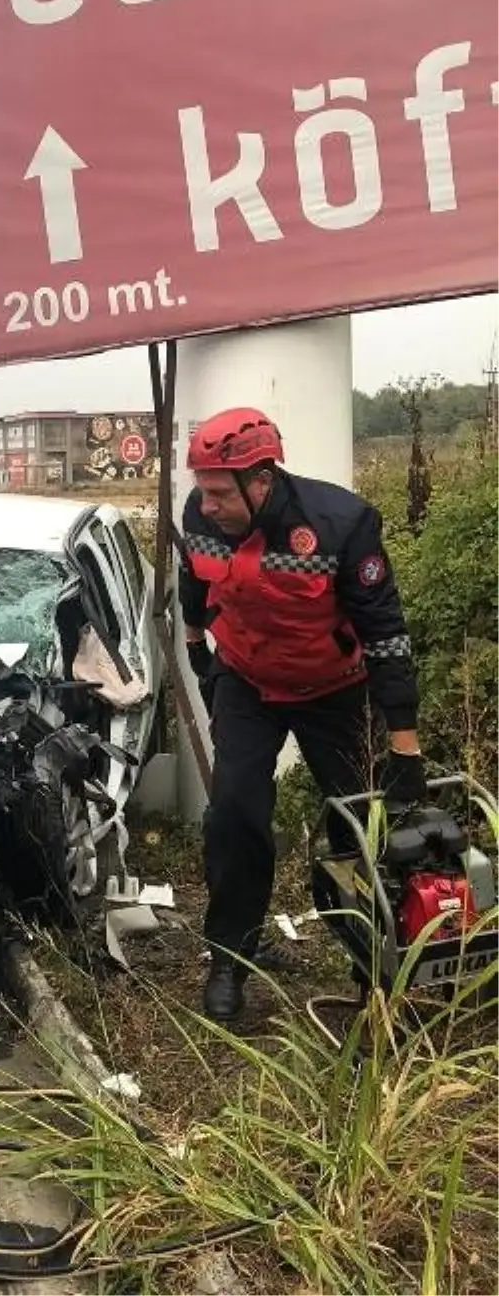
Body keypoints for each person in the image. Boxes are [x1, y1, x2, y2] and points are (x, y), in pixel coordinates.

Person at [178, 407, 426, 1021]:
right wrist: (198, 656)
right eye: (201, 491)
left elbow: (386, 634)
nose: (206, 506)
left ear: (260, 481)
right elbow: (193, 584)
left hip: (335, 690)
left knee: (361, 826)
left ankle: (373, 971)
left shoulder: (341, 524)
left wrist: (404, 745)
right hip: (247, 681)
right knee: (234, 811)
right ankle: (229, 961)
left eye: (218, 493)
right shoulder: (198, 514)